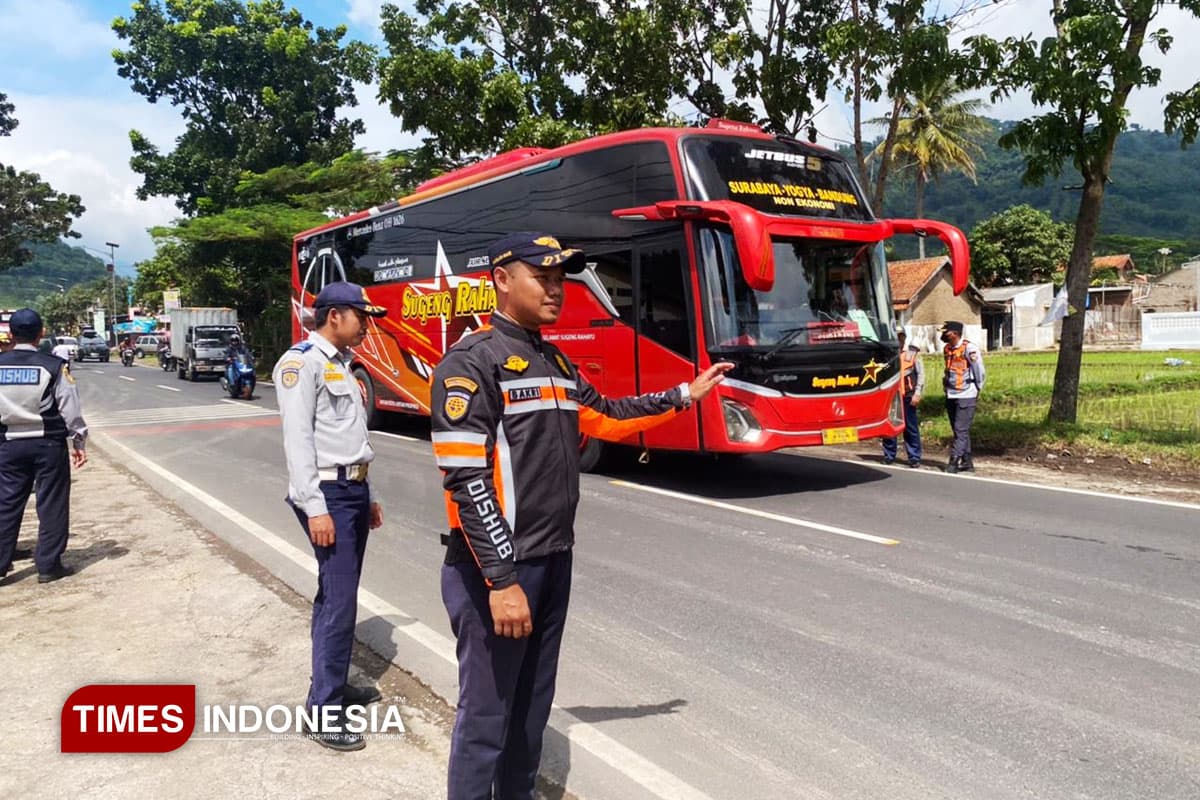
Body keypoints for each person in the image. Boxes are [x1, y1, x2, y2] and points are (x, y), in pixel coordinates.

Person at [430, 232, 732, 800]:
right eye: (540, 276)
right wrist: (501, 580)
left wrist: (683, 396)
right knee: (486, 720)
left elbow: (608, 417)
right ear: (501, 278)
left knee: (529, 714)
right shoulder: (471, 362)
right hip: (497, 570)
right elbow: (466, 482)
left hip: (552, 561)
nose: (554, 288)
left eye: (559, 278)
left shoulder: (554, 359)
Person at [272, 282, 388, 751]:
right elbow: (298, 441)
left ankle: (332, 686)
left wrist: (368, 491)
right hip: (327, 494)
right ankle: (323, 711)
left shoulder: (341, 365)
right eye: (363, 316)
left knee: (335, 595)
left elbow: (350, 437)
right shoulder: (301, 363)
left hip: (351, 489)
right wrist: (315, 506)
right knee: (340, 602)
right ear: (335, 315)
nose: (368, 324)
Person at [0, 308, 88, 584]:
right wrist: (79, 439)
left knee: (6, 504)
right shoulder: (52, 366)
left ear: (11, 335)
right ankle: (49, 566)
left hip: (7, 445)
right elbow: (69, 407)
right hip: (47, 444)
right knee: (51, 504)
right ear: (42, 333)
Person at [940, 320, 985, 474]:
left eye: (946, 332)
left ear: (955, 333)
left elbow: (979, 369)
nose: (943, 335)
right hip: (951, 393)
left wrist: (979, 387)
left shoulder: (969, 349)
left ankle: (954, 461)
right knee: (959, 430)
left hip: (967, 393)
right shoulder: (947, 349)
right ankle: (967, 461)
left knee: (960, 429)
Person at [881, 327, 924, 467]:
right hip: (891, 397)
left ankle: (914, 456)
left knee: (910, 428)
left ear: (904, 338)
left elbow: (921, 376)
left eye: (901, 337)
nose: (898, 340)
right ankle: (889, 455)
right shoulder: (886, 356)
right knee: (890, 427)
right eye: (896, 337)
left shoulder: (912, 355)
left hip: (907, 396)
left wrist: (917, 393)